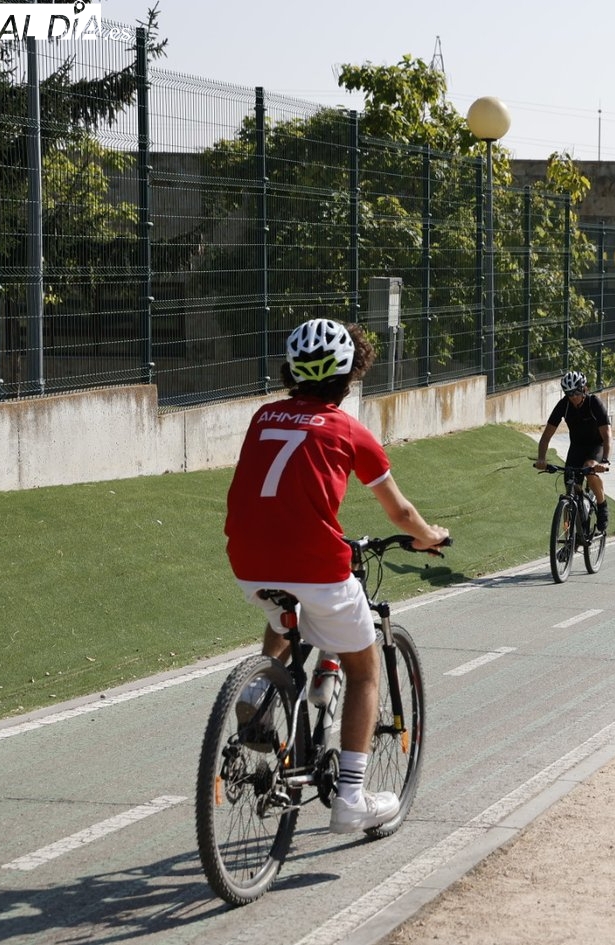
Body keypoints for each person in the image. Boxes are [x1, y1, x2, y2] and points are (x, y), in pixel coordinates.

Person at [224, 317, 448, 834]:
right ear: (349, 378)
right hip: (319, 569)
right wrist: (429, 536)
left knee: (285, 614)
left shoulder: (263, 417)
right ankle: (350, 798)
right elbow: (400, 513)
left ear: (290, 371)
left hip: (248, 563)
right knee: (365, 668)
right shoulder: (350, 430)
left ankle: (260, 688)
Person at [534, 371, 612, 532]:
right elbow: (546, 436)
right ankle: (569, 536)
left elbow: (607, 435)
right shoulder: (564, 405)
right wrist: (542, 458)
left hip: (596, 446)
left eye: (576, 392)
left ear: (584, 389)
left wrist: (604, 460)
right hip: (576, 447)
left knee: (590, 468)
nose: (573, 397)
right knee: (570, 489)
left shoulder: (594, 403)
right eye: (569, 394)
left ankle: (601, 504)